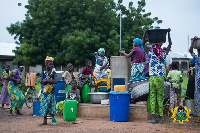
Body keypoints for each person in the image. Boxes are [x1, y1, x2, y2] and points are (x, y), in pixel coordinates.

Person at [142, 28, 172, 123]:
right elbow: (170, 44)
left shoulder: (151, 54)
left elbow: (143, 44)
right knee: (160, 97)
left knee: (152, 97)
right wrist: (168, 33)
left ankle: (153, 119)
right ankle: (159, 118)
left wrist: (145, 33)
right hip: (160, 78)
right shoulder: (163, 55)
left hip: (153, 78)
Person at [39, 56, 57, 126]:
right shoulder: (43, 73)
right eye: (50, 64)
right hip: (44, 92)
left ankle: (53, 120)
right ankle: (44, 121)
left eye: (52, 64)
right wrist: (42, 88)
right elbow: (40, 81)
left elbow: (55, 81)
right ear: (46, 65)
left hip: (51, 92)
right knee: (44, 106)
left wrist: (47, 81)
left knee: (52, 106)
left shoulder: (53, 73)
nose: (52, 66)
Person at [189, 36, 200, 117]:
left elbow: (190, 50)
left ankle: (198, 115)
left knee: (198, 98)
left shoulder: (197, 58)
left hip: (198, 80)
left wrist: (193, 42)